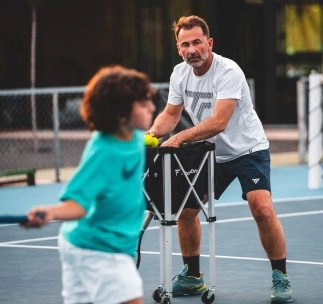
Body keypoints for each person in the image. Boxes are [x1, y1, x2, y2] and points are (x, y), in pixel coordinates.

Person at [147, 15, 293, 303]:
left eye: (197, 42)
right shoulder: (179, 74)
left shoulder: (229, 71)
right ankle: (192, 278)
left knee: (261, 207)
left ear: (209, 43)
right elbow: (171, 114)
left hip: (248, 150)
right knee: (186, 212)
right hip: (209, 153)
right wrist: (152, 134)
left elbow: (219, 122)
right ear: (179, 48)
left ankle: (281, 277)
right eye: (185, 44)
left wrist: (179, 138)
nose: (192, 50)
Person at [23, 65, 156, 304]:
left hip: (98, 244)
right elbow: (78, 205)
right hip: (98, 247)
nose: (152, 107)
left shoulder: (136, 137)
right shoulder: (102, 151)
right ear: (121, 112)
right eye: (143, 103)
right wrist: (49, 212)